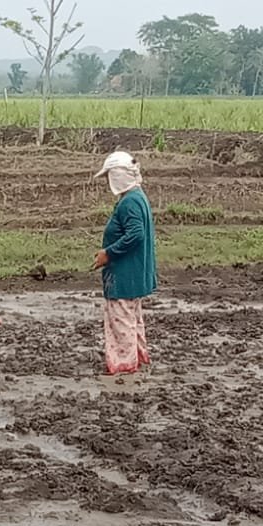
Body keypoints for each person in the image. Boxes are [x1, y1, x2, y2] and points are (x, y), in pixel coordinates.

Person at [91, 151, 157, 376]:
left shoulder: (129, 203)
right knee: (133, 320)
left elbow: (135, 234)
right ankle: (138, 360)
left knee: (121, 323)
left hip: (124, 276)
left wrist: (108, 253)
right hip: (135, 274)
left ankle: (124, 367)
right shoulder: (138, 197)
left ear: (117, 176)